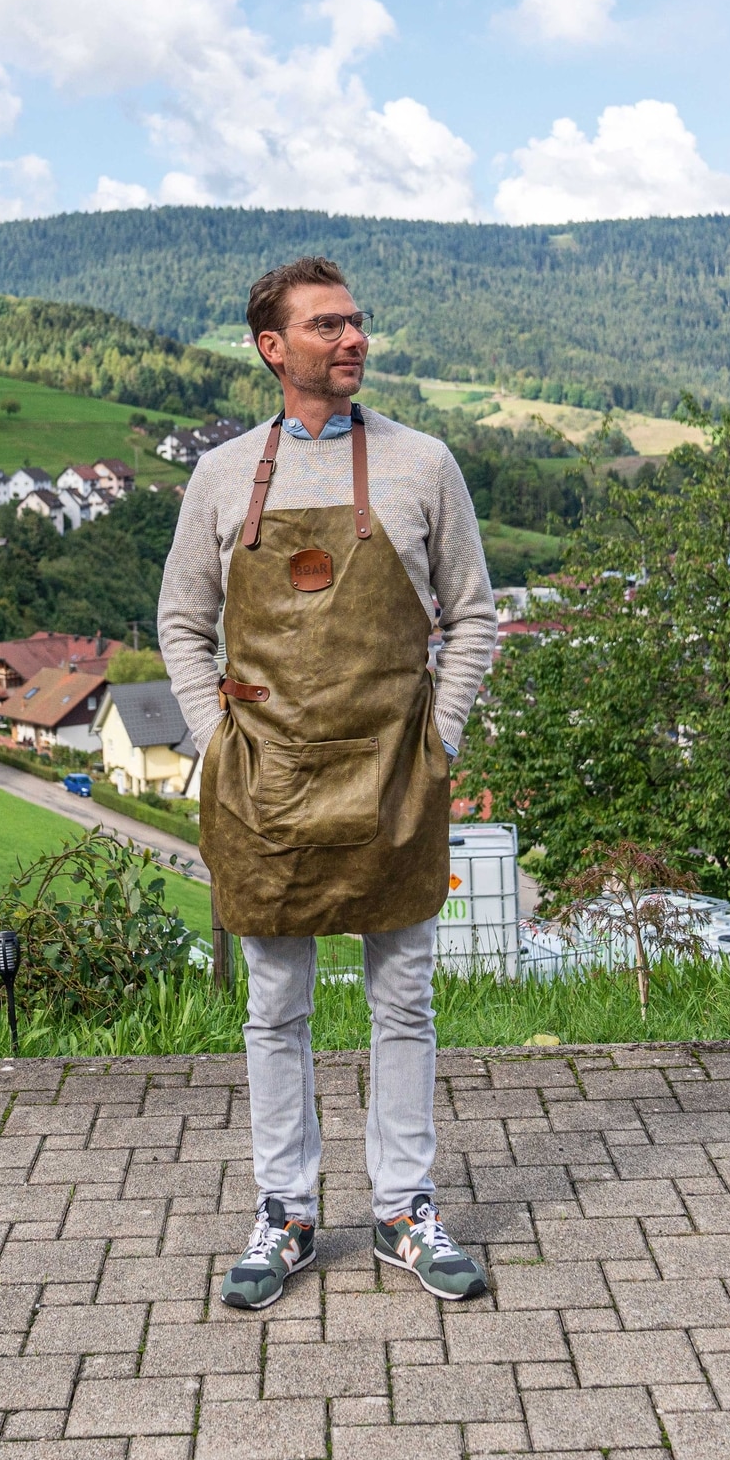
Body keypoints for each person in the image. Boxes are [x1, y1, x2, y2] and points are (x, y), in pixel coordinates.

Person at [158, 256, 499, 1310]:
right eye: (326, 327)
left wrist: (435, 739)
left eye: (356, 323)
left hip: (394, 769)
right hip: (267, 775)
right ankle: (286, 1214)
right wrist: (218, 739)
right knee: (276, 1003)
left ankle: (404, 1208)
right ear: (273, 347)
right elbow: (180, 622)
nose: (351, 340)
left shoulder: (421, 464)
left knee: (402, 997)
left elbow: (472, 615)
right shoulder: (221, 476)